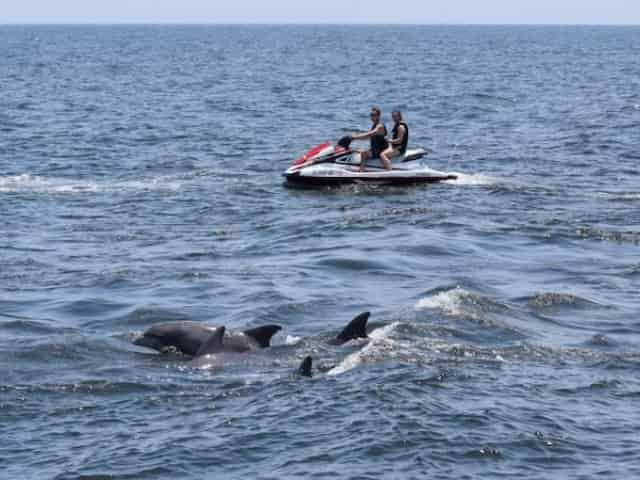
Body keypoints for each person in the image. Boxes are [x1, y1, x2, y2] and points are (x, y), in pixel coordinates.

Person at [351, 107, 389, 171]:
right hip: (375, 149)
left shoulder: (380, 126)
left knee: (364, 153)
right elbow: (369, 137)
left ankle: (361, 171)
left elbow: (369, 134)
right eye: (371, 115)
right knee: (358, 150)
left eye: (374, 115)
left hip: (381, 150)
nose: (372, 117)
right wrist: (355, 138)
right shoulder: (374, 125)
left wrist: (355, 137)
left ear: (378, 116)